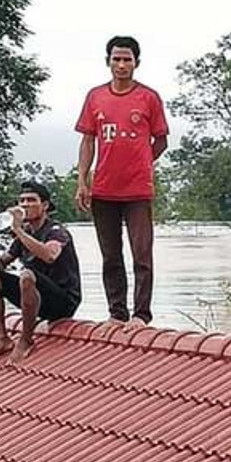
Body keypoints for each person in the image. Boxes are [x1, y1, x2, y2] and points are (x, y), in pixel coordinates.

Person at [74, 35, 169, 330]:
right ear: (108, 62)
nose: (122, 64)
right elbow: (88, 140)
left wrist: (142, 162)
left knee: (142, 254)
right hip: (103, 189)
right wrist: (82, 181)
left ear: (136, 63)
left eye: (127, 59)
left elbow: (162, 140)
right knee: (110, 255)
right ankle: (117, 313)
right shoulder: (95, 97)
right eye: (116, 59)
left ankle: (141, 314)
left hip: (138, 190)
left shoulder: (148, 97)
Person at [0, 181, 82, 363]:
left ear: (45, 206)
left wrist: (18, 230)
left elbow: (50, 255)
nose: (25, 205)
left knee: (26, 275)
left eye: (31, 200)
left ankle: (26, 340)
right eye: (22, 200)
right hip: (35, 294)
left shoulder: (56, 231)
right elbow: (4, 260)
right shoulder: (25, 233)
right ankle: (1, 338)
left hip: (62, 300)